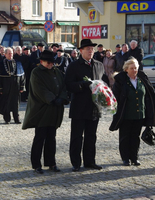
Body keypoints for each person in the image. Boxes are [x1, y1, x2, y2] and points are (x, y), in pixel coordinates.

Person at [65, 39, 108, 172]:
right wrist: (83, 85)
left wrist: (105, 90)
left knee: (91, 136)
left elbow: (104, 81)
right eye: (88, 49)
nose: (91, 51)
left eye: (92, 49)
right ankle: (76, 162)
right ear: (81, 51)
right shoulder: (74, 66)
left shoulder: (99, 65)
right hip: (79, 106)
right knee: (77, 136)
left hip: (94, 107)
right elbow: (68, 85)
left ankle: (90, 161)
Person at [22, 50, 68, 174]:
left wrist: (62, 97)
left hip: (54, 109)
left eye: (52, 62)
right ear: (41, 62)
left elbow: (63, 86)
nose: (50, 64)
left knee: (51, 138)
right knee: (40, 137)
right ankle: (36, 164)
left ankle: (51, 162)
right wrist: (53, 99)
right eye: (48, 62)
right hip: (41, 109)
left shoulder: (56, 71)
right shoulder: (36, 72)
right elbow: (39, 89)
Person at [109, 58, 155, 166]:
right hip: (126, 114)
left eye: (136, 68)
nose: (134, 70)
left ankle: (134, 157)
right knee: (125, 137)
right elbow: (115, 97)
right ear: (126, 69)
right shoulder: (121, 81)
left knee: (135, 137)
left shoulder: (142, 79)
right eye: (132, 68)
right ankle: (125, 158)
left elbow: (149, 96)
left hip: (139, 114)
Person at [0, 47, 25, 124]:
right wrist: (0, 89)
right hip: (5, 87)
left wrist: (22, 87)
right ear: (5, 54)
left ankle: (16, 119)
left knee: (16, 104)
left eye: (11, 53)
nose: (10, 55)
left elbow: (22, 76)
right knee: (6, 103)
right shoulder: (0, 64)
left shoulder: (18, 63)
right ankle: (7, 119)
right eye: (8, 53)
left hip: (16, 86)